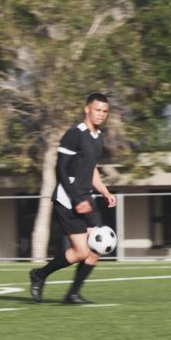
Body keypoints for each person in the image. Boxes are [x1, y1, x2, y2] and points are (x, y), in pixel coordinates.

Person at [28, 92, 117, 304]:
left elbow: (92, 170)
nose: (101, 114)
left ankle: (73, 294)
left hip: (87, 198)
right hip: (68, 200)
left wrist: (105, 192)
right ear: (87, 109)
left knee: (97, 248)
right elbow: (60, 169)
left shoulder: (99, 137)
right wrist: (77, 201)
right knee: (81, 252)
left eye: (105, 111)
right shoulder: (74, 134)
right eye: (97, 110)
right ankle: (39, 274)